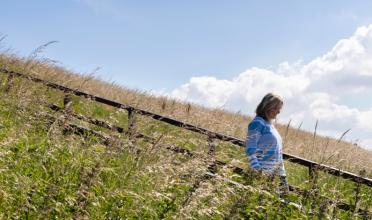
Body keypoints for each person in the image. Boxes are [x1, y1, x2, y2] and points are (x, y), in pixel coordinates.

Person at [245, 93, 289, 193]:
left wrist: (282, 173)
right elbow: (250, 149)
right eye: (277, 108)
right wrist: (257, 170)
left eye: (280, 108)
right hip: (265, 172)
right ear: (268, 106)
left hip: (279, 173)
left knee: (282, 206)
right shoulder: (257, 123)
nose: (278, 112)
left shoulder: (270, 125)